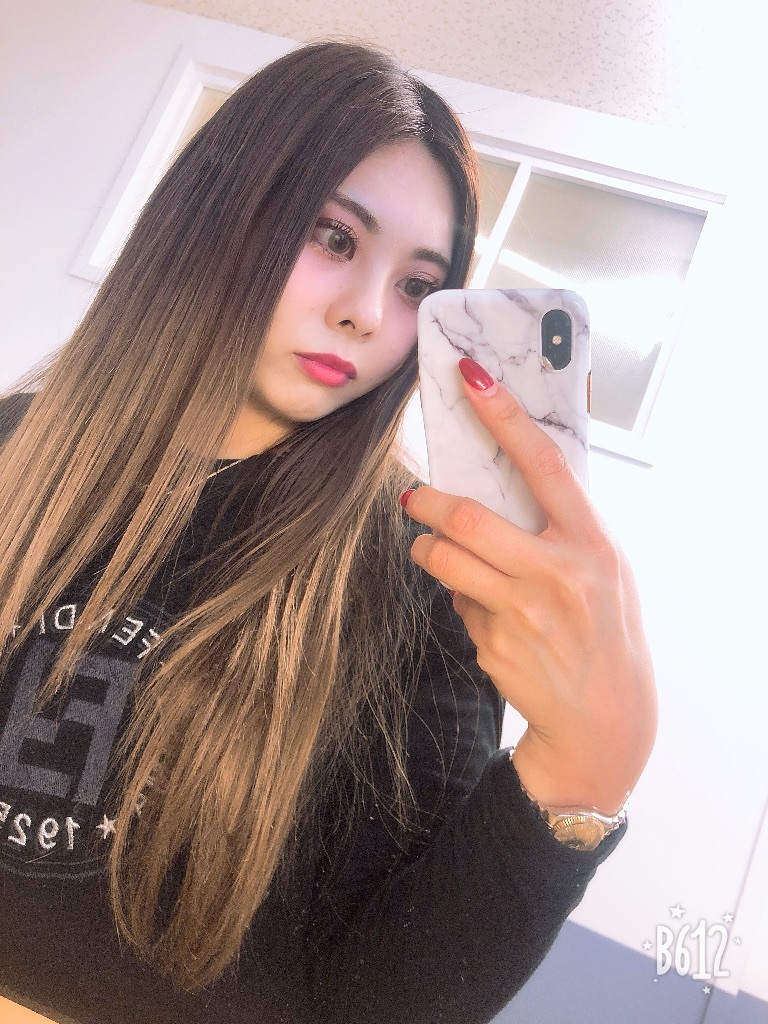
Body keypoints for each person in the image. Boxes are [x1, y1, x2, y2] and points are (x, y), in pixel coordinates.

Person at [0, 40, 656, 1024]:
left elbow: (375, 1001)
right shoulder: (14, 449)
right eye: (335, 237)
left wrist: (583, 772)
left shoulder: (421, 576)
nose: (366, 315)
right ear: (212, 213)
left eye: (416, 286)